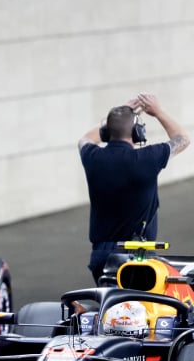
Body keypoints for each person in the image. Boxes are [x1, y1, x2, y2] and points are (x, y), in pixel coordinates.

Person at [78, 93, 190, 284]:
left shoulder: (92, 157)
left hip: (102, 255)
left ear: (106, 132)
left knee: (111, 309)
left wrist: (114, 118)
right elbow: (183, 139)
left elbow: (84, 139)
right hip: (137, 255)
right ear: (137, 132)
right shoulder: (147, 158)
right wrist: (158, 112)